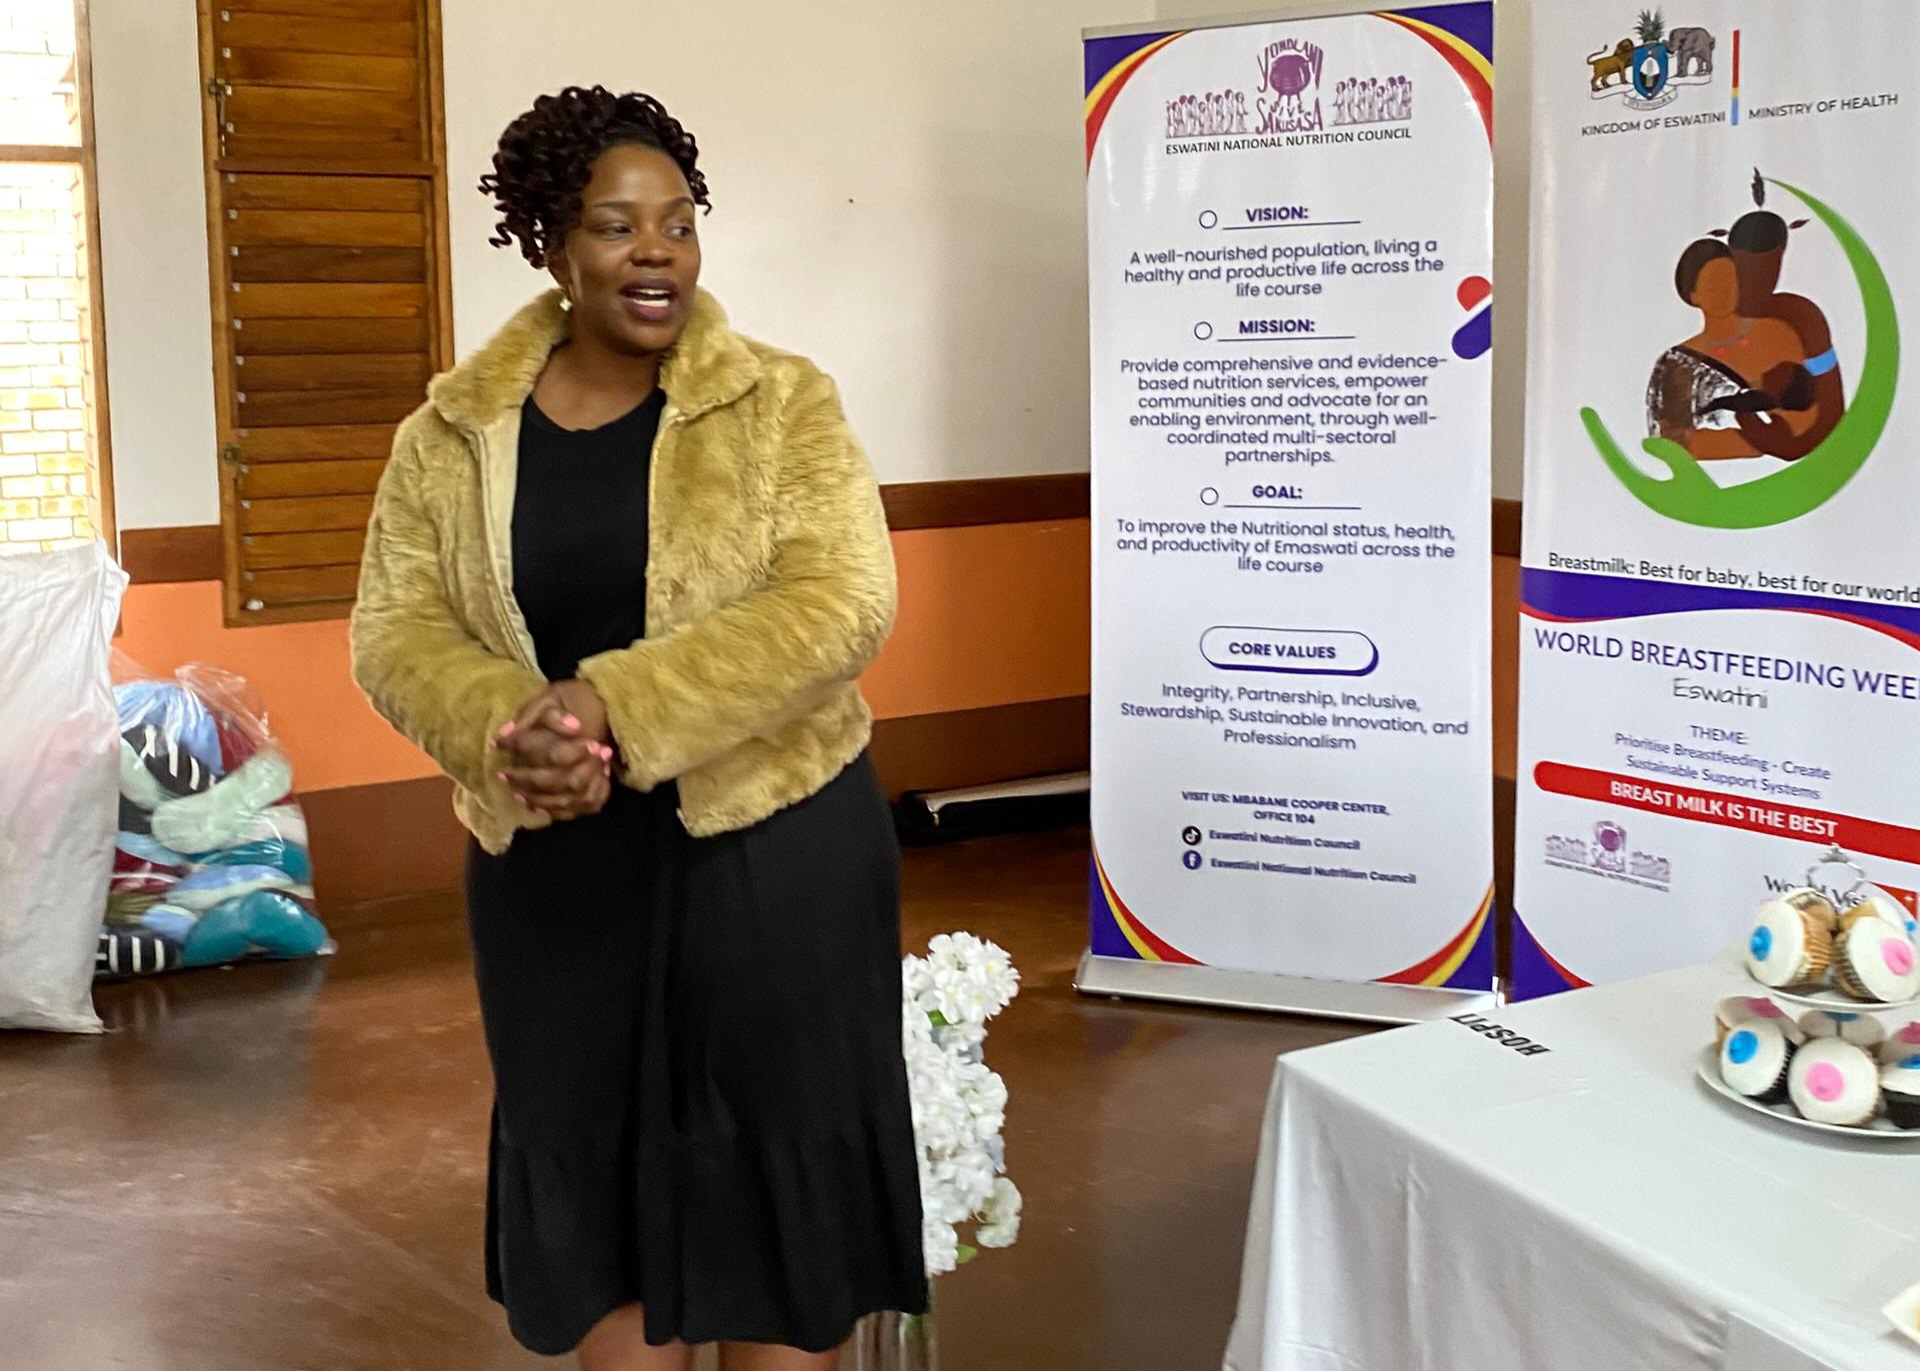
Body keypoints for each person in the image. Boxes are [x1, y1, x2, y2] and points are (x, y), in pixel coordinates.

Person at [348, 86, 927, 1371]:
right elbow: (394, 632)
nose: (656, 250)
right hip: (557, 866)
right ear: (554, 246)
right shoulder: (450, 436)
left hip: (775, 854)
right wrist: (514, 731)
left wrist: (615, 703)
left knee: (781, 1200)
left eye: (678, 222)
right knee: (596, 1187)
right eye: (617, 226)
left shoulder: (782, 402)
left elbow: (841, 602)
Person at [1647, 238, 1815, 461]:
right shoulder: (1677, 363)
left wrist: (1767, 438)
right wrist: (1758, 443)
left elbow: (1802, 419)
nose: (1723, 291)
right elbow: (1673, 444)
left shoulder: (1777, 334)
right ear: (1693, 295)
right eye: (1713, 284)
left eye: (1729, 279)